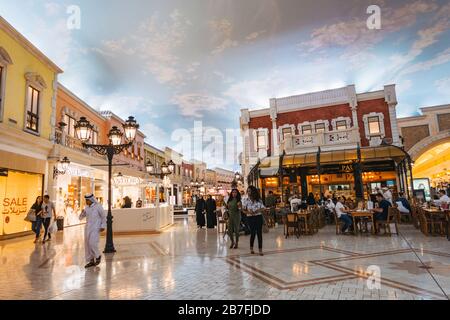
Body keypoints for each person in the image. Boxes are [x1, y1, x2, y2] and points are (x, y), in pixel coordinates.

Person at [79, 194, 106, 268]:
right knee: (87, 245)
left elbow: (103, 217)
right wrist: (82, 213)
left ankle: (98, 256)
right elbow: (80, 218)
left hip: (95, 227)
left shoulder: (98, 206)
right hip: (87, 228)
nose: (86, 202)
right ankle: (91, 260)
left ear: (91, 200)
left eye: (87, 200)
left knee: (92, 243)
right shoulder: (86, 208)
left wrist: (103, 226)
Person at [242, 186, 265, 256]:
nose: (249, 193)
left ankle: (260, 250)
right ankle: (251, 248)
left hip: (258, 217)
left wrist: (257, 210)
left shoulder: (259, 200)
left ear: (253, 191)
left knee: (259, 233)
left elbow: (263, 208)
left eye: (250, 191)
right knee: (253, 233)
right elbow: (243, 210)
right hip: (250, 218)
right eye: (248, 191)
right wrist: (249, 212)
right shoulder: (246, 200)